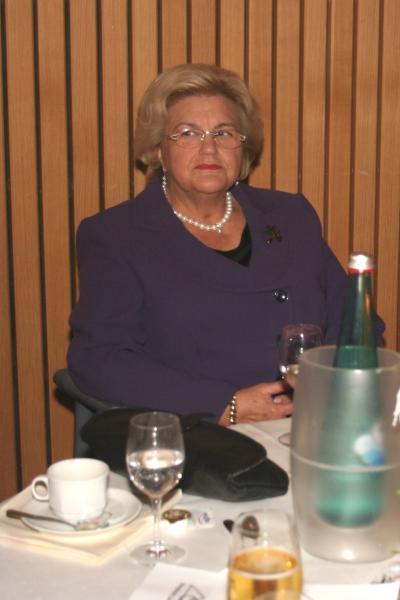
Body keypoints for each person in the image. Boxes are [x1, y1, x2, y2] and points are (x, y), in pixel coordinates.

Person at [68, 63, 383, 425]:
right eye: (187, 133)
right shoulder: (117, 235)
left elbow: (356, 322)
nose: (209, 149)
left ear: (243, 150)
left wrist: (333, 384)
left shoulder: (291, 216)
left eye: (224, 133)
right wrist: (225, 405)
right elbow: (98, 357)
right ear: (159, 152)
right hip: (200, 433)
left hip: (313, 423)